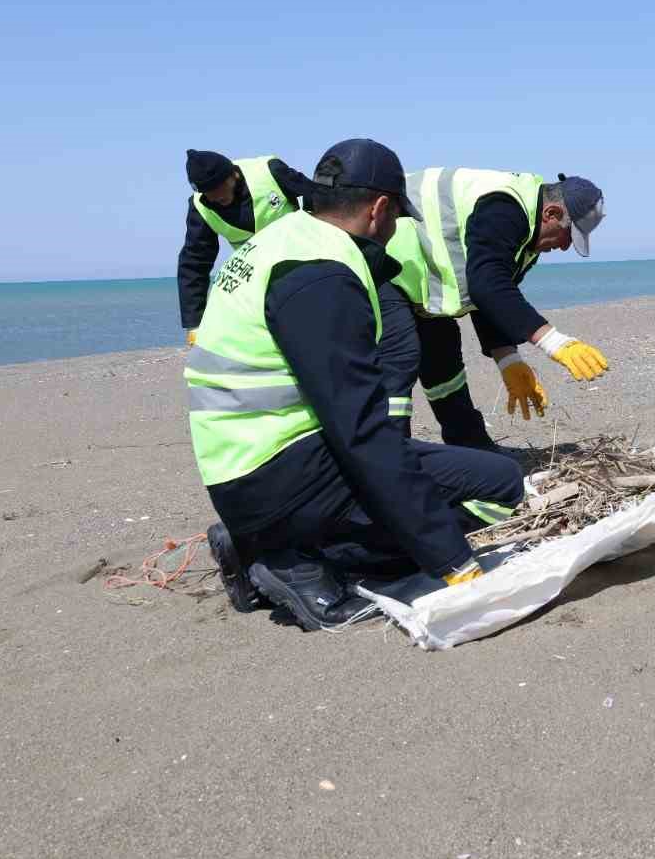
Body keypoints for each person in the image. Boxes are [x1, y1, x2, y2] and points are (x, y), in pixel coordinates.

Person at [185, 139, 524, 631]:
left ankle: (269, 539)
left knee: (427, 484)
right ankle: (296, 564)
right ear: (380, 208)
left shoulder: (283, 239)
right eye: (396, 218)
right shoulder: (320, 275)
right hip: (277, 472)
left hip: (244, 465)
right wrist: (454, 563)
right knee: (499, 489)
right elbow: (360, 431)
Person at [381, 169, 610, 448]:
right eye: (568, 234)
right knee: (399, 359)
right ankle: (387, 454)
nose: (564, 247)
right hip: (386, 263)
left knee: (442, 351)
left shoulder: (528, 238)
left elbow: (490, 298)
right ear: (550, 214)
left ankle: (470, 448)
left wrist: (508, 360)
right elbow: (487, 283)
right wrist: (555, 342)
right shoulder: (504, 207)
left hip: (418, 279)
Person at [177, 151, 317, 343]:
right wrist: (195, 324)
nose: (215, 196)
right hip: (260, 276)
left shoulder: (269, 171)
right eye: (208, 193)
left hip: (304, 260)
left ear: (233, 174)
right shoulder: (201, 208)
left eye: (218, 187)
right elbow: (194, 263)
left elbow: (319, 198)